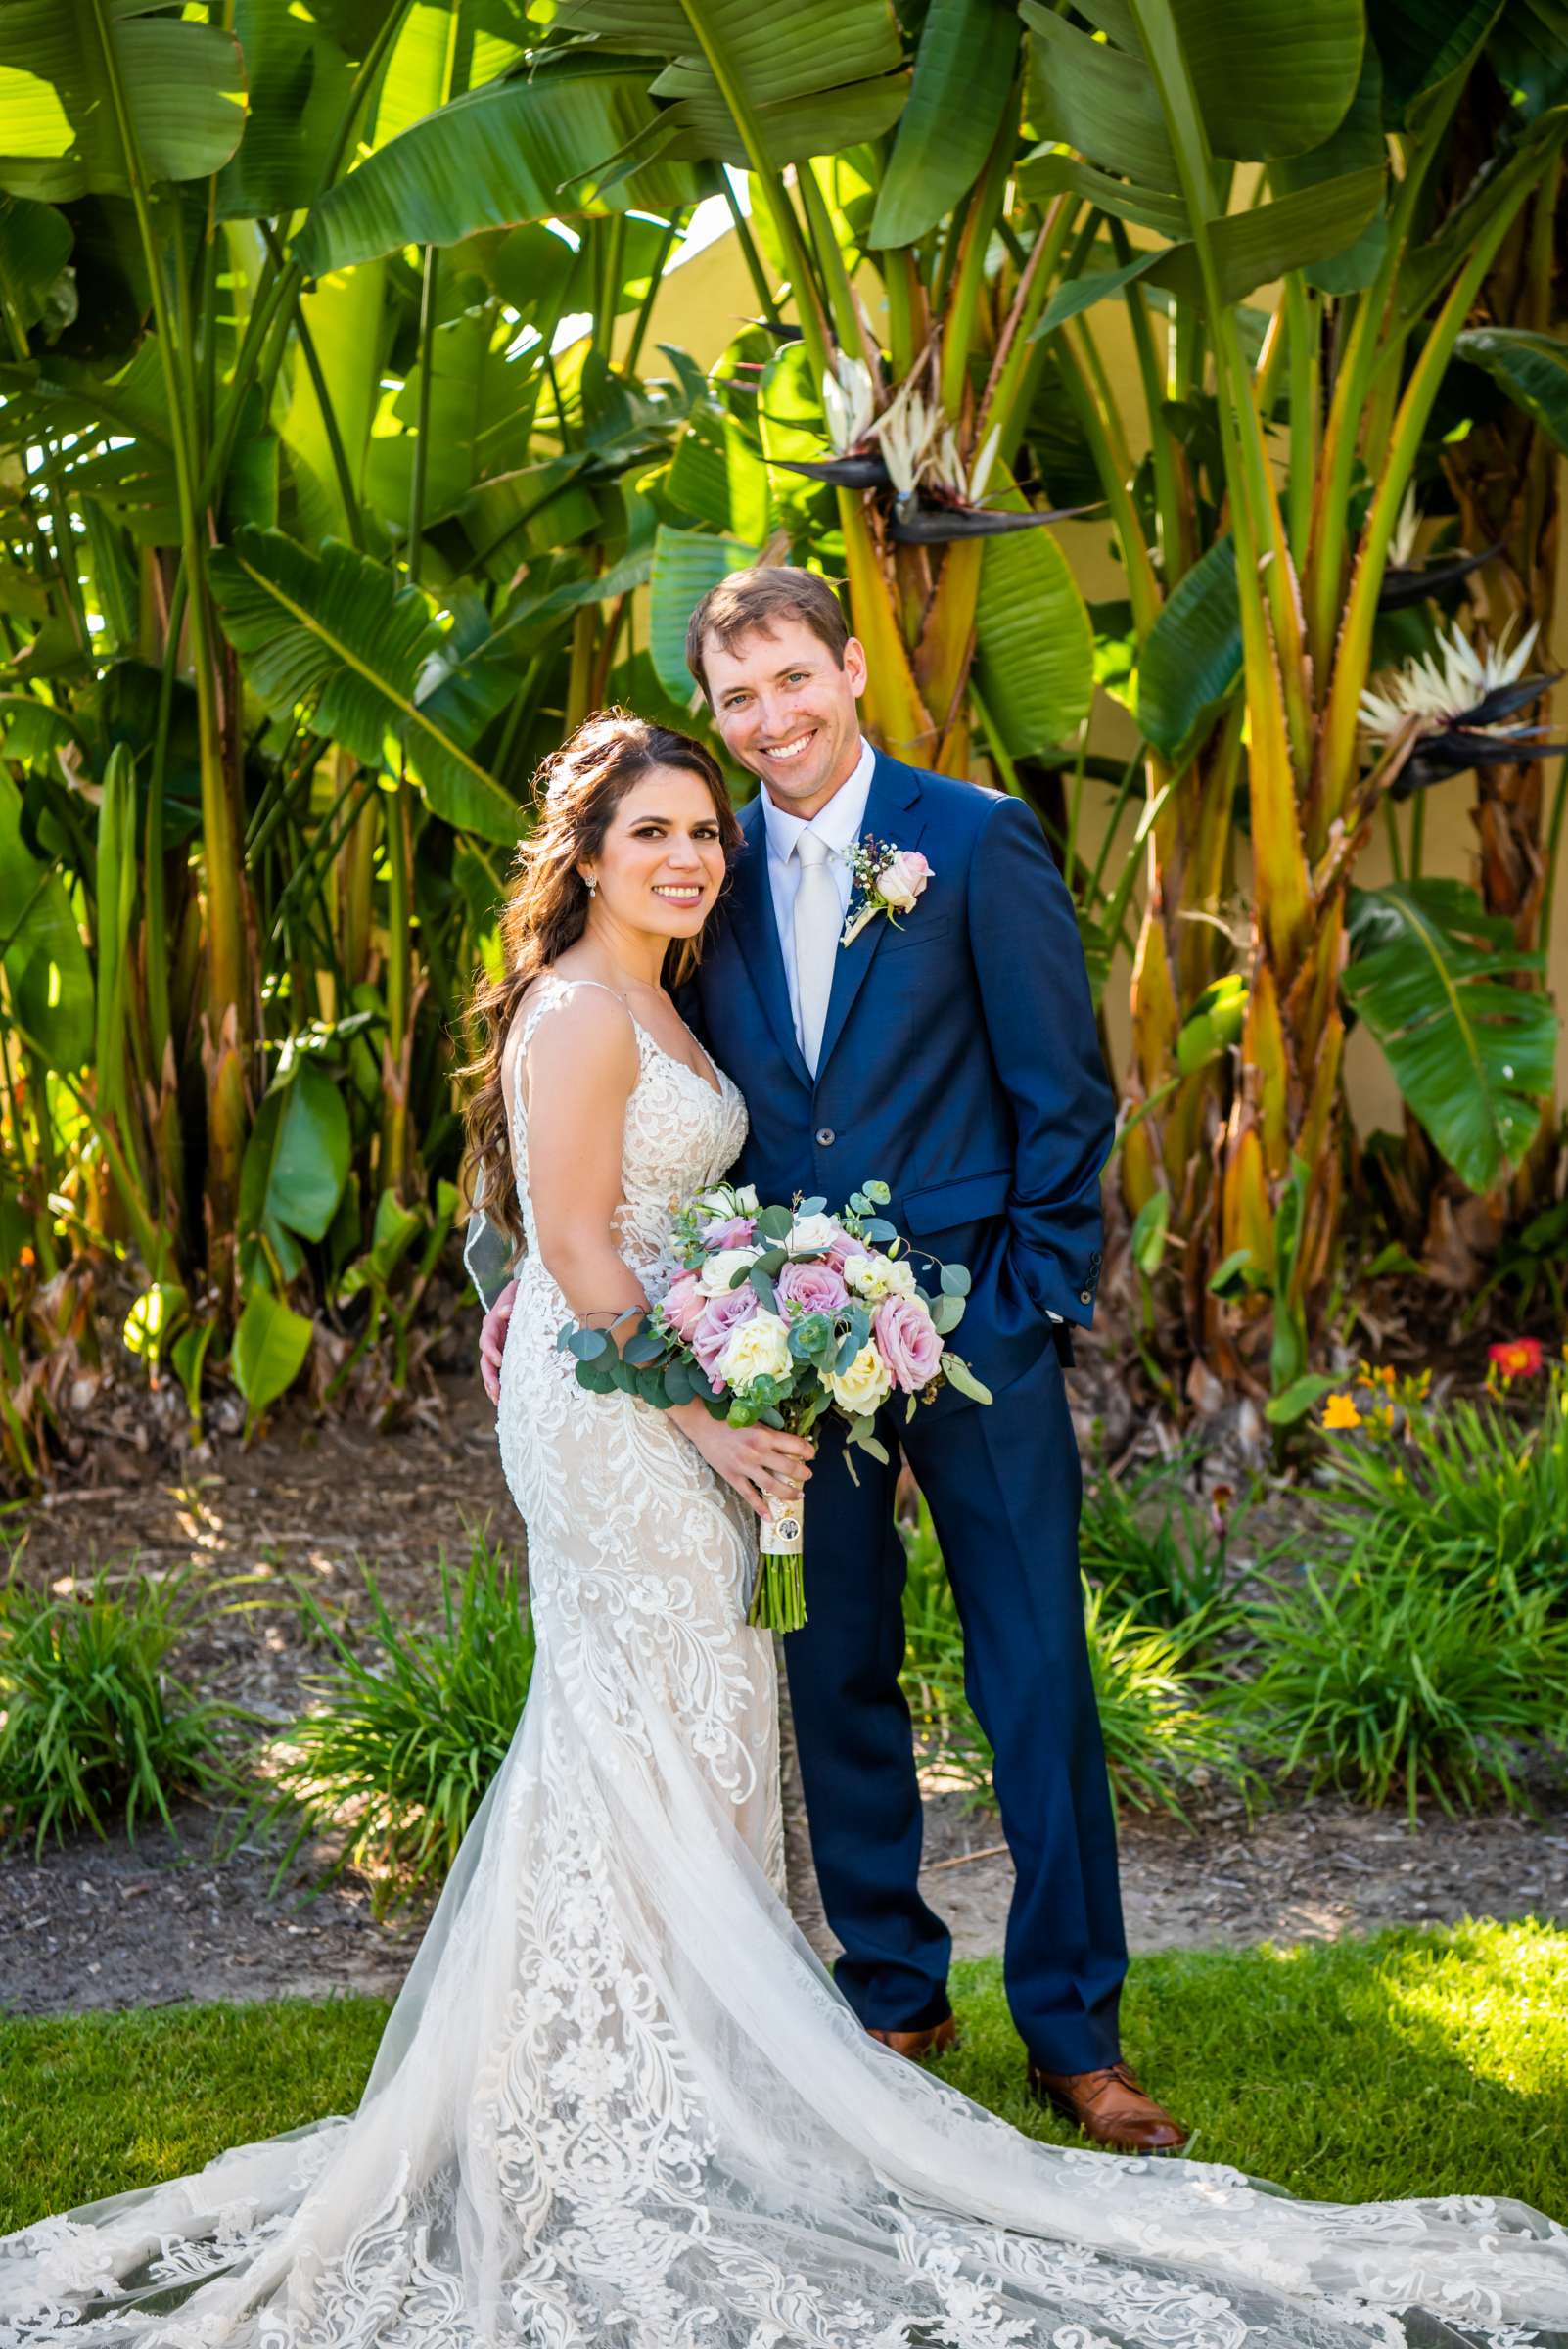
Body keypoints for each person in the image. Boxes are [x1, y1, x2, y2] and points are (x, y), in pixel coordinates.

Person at [4, 711, 1565, 2349]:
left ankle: (672, 2061)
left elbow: (566, 1216)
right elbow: (583, 1248)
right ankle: (620, 2082)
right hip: (627, 1415)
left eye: (700, 831)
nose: (686, 856)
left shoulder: (667, 992)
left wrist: (658, 1321)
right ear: (586, 855)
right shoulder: (579, 1010)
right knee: (642, 1719)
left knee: (695, 1720)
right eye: (650, 833)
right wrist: (694, 1409)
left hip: (680, 1385)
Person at [483, 569, 1172, 2151]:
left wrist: (1030, 1297)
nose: (771, 719)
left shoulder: (972, 838)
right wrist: (527, 1271)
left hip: (975, 1329)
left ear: (849, 669)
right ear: (715, 715)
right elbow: (597, 1098)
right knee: (832, 1665)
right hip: (782, 1351)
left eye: (793, 679)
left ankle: (1075, 2030)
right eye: (739, 698)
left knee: (1033, 1678)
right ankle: (889, 1997)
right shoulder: (696, 874)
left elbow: (1063, 1094)